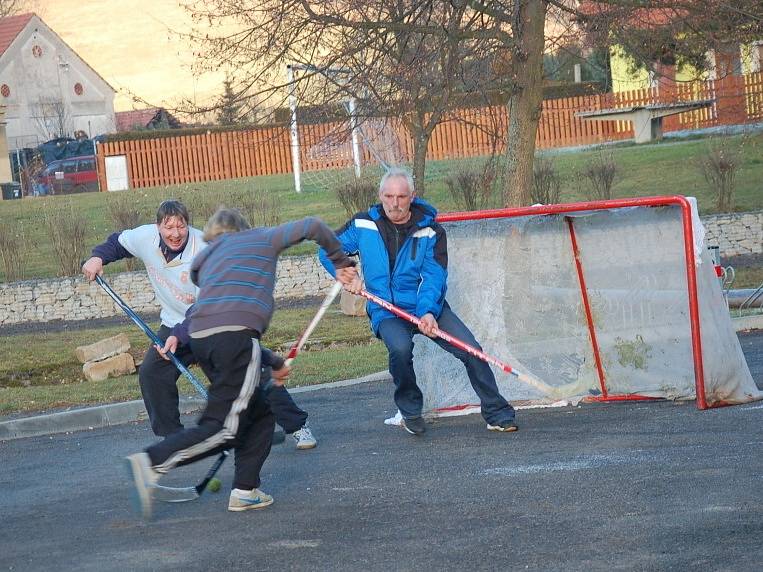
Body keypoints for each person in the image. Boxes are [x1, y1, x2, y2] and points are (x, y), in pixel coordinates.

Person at [125, 208, 357, 518]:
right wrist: (341, 263)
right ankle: (150, 463)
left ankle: (245, 490)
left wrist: (272, 361)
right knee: (223, 428)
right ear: (243, 231)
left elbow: (220, 320)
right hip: (233, 339)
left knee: (259, 413)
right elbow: (313, 225)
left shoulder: (206, 261)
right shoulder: (261, 237)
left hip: (204, 340)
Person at [81, 200, 318, 450]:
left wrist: (178, 337)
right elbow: (118, 243)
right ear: (158, 226)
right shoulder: (145, 237)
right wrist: (98, 258)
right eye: (168, 227)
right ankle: (174, 438)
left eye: (180, 226)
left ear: (188, 225)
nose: (175, 234)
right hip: (175, 322)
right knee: (153, 372)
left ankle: (297, 426)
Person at [319, 168, 518, 436]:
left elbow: (434, 276)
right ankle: (411, 410)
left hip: (426, 307)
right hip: (385, 310)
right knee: (400, 349)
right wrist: (344, 271)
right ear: (380, 195)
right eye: (388, 196)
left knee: (472, 350)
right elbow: (328, 249)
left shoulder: (430, 231)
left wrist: (428, 312)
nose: (394, 203)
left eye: (401, 196)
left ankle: (497, 413)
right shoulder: (363, 224)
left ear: (412, 196)